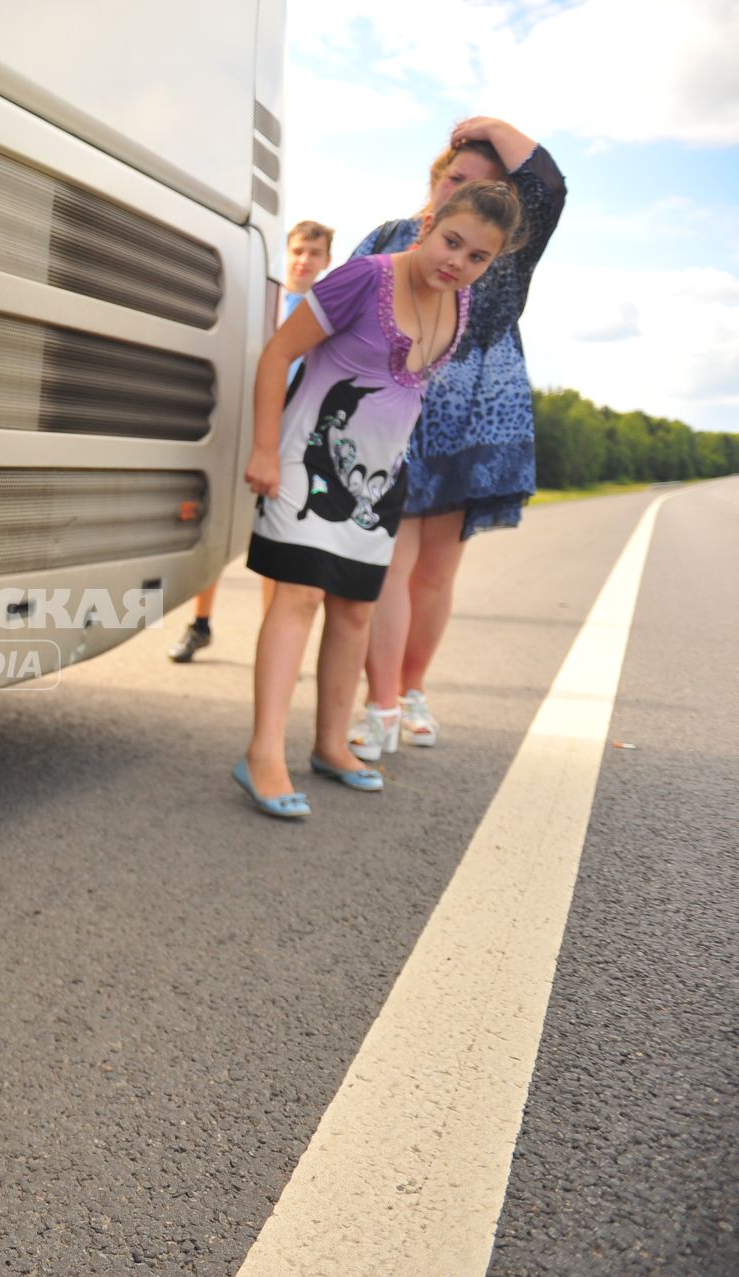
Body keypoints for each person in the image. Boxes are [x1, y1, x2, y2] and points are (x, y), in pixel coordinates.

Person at [234, 181, 524, 818]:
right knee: (300, 597)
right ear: (428, 224)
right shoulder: (362, 278)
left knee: (355, 613)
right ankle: (262, 754)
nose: (458, 262)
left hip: (380, 480)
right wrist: (261, 449)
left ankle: (332, 745)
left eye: (477, 256)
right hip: (306, 459)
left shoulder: (462, 304)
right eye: (452, 241)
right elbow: (279, 351)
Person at [346, 120, 566, 759]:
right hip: (392, 411)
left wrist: (494, 127)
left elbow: (547, 185)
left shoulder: (505, 252)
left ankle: (412, 691)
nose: (460, 193)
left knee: (435, 574)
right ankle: (380, 704)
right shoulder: (387, 236)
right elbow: (340, 314)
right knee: (388, 566)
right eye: (455, 178)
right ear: (436, 177)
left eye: (482, 186)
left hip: (473, 417)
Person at [168, 220, 334, 662]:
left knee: (274, 538)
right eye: (299, 250)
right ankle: (200, 624)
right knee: (217, 526)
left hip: (290, 440)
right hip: (244, 429)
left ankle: (271, 641)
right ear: (288, 251)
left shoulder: (325, 315)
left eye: (314, 253)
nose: (304, 260)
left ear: (326, 261)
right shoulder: (266, 302)